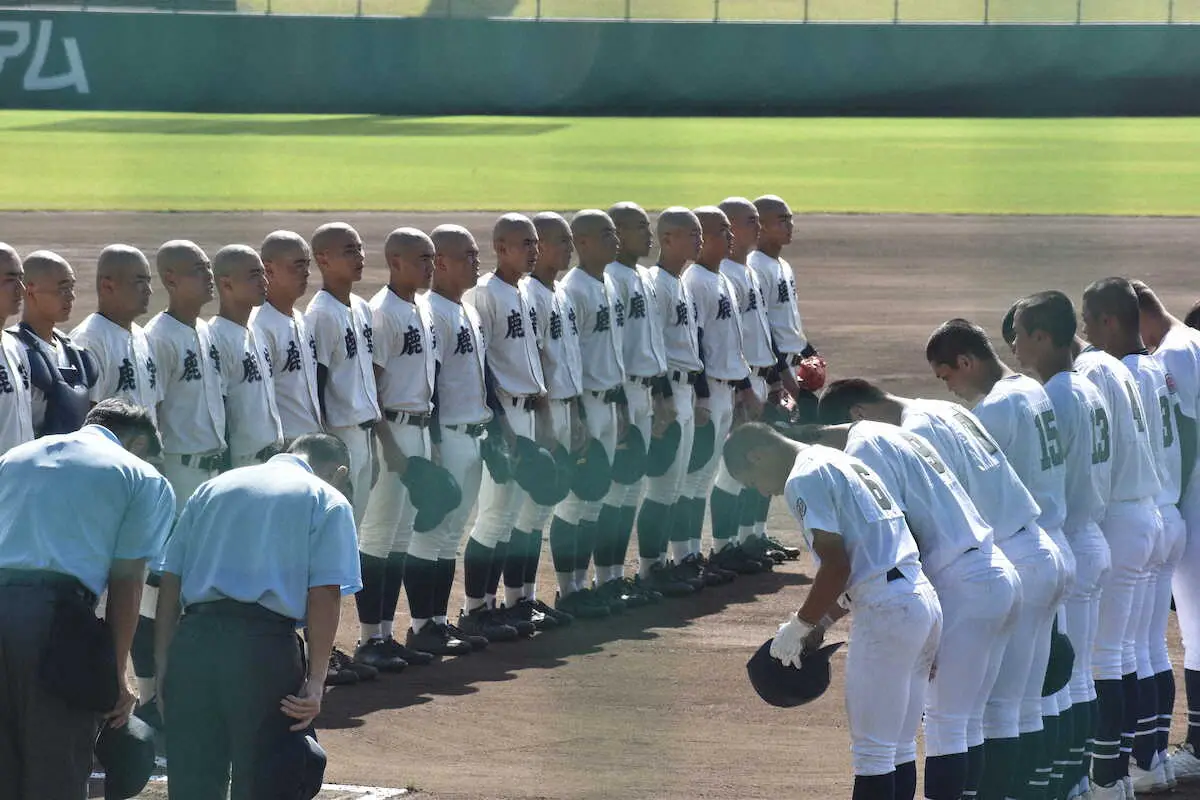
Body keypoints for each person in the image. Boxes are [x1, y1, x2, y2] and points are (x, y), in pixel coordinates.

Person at [817, 378, 1045, 800]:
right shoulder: (909, 432)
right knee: (969, 721)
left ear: (854, 417)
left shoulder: (866, 446)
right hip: (998, 568)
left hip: (962, 583)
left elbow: (900, 546)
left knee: (947, 724)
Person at [723, 422, 942, 800]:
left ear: (757, 454)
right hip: (920, 601)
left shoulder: (803, 477)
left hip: (888, 612)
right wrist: (820, 622)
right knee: (899, 747)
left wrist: (799, 624)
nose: (763, 491)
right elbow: (866, 563)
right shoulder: (839, 461)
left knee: (873, 755)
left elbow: (836, 565)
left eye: (752, 480)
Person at [154, 434, 360, 800]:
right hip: (263, 651)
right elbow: (325, 595)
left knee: (192, 780)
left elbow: (171, 581)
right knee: (266, 778)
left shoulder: (212, 488)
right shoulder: (326, 498)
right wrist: (316, 681)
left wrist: (164, 666)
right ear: (339, 472)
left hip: (194, 641)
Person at [925, 318, 1074, 798]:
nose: (949, 388)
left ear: (966, 362)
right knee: (1029, 703)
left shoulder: (994, 409)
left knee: (998, 710)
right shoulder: (1030, 389)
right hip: (1052, 544)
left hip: (1015, 552)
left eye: (947, 375)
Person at [0, 399, 175, 799]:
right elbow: (128, 582)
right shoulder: (140, 475)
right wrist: (116, 673)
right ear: (138, 444)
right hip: (54, 623)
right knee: (56, 767)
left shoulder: (15, 457)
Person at [1009, 292, 1115, 798]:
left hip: (1066, 538)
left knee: (1056, 684)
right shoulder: (1088, 388)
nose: (1013, 343)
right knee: (1080, 679)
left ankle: (1064, 785)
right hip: (1090, 537)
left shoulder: (1056, 396)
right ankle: (1076, 782)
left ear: (1043, 337)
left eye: (1021, 333)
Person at [1079, 279, 1170, 799]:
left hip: (1123, 518)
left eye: (1089, 321)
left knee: (1109, 656)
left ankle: (1111, 777)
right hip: (1156, 513)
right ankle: (1145, 760)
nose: (1086, 333)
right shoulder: (1148, 369)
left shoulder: (1100, 369)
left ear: (1108, 320)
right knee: (1138, 648)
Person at [354, 228, 441, 668]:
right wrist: (387, 444)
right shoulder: (382, 313)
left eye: (431, 257)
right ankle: (369, 638)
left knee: (402, 538)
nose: (430, 265)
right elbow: (370, 385)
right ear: (395, 262)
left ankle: (387, 635)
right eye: (421, 258)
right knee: (378, 536)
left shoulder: (421, 309)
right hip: (392, 433)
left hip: (420, 429)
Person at [460, 214, 547, 638]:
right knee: (493, 517)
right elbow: (481, 366)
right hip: (502, 415)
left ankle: (510, 604)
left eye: (535, 243)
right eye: (523, 244)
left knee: (515, 515)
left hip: (528, 410)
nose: (533, 250)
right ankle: (476, 608)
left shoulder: (526, 293)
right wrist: (499, 426)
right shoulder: (484, 295)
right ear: (500, 247)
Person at [416, 225, 495, 649]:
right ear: (441, 262)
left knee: (451, 535)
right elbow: (429, 385)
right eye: (468, 255)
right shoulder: (432, 315)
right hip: (447, 436)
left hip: (474, 433)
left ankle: (438, 621)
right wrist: (435, 445)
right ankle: (421, 626)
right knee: (432, 535)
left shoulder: (468, 310)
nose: (476, 262)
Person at [1133, 280, 1200, 785]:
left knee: (1195, 637)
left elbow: (1186, 435)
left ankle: (1197, 749)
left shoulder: (1171, 356)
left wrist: (1171, 509)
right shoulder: (1192, 343)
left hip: (1191, 506)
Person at [508, 212, 584, 625]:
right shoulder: (530, 296)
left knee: (539, 513)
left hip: (567, 408)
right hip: (542, 413)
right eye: (560, 240)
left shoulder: (560, 293)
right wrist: (548, 424)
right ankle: (515, 598)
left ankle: (529, 596)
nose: (566, 247)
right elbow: (535, 363)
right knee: (526, 512)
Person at [683, 206, 765, 575]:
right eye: (721, 231)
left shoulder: (723, 280)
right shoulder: (696, 281)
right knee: (694, 478)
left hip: (726, 388)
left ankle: (716, 550)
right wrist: (701, 396)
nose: (729, 237)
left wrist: (744, 386)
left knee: (705, 476)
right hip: (707, 390)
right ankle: (688, 556)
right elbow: (695, 343)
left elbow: (733, 343)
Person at [554, 209, 628, 617]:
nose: (614, 241)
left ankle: (589, 584)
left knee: (596, 499)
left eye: (614, 233)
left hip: (609, 401)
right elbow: (572, 358)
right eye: (605, 235)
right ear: (580, 242)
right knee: (574, 500)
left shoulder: (609, 284)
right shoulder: (573, 290)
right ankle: (569, 589)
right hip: (583, 405)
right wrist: (579, 412)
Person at [719, 196, 800, 564]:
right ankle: (727, 548)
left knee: (761, 461)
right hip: (741, 380)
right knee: (731, 470)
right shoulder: (732, 274)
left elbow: (766, 327)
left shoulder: (757, 270)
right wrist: (746, 384)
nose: (789, 225)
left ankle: (752, 538)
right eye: (752, 221)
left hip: (764, 375)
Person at [635, 207, 706, 597]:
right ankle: (650, 567)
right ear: (667, 239)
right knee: (662, 487)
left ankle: (670, 562)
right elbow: (655, 346)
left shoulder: (681, 283)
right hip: (665, 392)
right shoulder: (657, 285)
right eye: (691, 234)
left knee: (676, 486)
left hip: (686, 389)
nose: (699, 240)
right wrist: (662, 399)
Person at [605, 201, 669, 602]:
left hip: (645, 390)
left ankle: (620, 577)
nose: (649, 235)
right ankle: (605, 578)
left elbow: (653, 340)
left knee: (631, 491)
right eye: (639, 228)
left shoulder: (643, 276)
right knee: (615, 491)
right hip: (622, 391)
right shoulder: (611, 279)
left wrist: (660, 394)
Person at [304, 223, 381, 525]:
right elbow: (317, 387)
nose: (359, 256)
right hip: (341, 436)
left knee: (356, 529)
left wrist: (372, 447)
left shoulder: (361, 308)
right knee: (338, 528)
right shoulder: (320, 314)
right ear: (323, 260)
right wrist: (328, 451)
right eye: (349, 251)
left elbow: (368, 384)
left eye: (359, 248)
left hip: (364, 433)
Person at [144, 240, 226, 512]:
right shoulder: (158, 337)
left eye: (208, 268)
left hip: (216, 469)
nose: (209, 276)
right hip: (180, 472)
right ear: (171, 279)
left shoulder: (206, 330)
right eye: (198, 270)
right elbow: (152, 411)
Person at [208, 244, 284, 469]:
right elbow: (218, 410)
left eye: (263, 273)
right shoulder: (216, 337)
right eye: (254, 275)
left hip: (272, 457)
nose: (264, 281)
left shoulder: (257, 329)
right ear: (226, 283)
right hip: (242, 463)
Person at [748, 195, 822, 419]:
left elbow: (789, 320)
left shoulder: (783, 266)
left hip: (793, 366)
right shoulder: (755, 268)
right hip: (774, 371)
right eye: (781, 220)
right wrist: (783, 376)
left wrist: (810, 353)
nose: (790, 226)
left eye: (790, 219)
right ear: (760, 227)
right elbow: (763, 326)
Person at [69, 244, 160, 424]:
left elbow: (156, 405)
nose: (148, 290)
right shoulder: (88, 340)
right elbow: (83, 416)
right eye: (140, 281)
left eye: (148, 281)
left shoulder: (144, 337)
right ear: (107, 286)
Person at [10, 250, 96, 436]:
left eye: (71, 287)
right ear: (30, 291)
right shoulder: (13, 351)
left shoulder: (72, 350)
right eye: (62, 288)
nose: (71, 296)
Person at [251, 231, 322, 440]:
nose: (306, 272)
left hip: (311, 439)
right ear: (269, 270)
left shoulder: (303, 321)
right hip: (284, 445)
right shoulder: (259, 326)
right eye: (298, 265)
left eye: (307, 264)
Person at [0, 243, 33, 455]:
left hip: (20, 483)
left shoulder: (15, 346)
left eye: (21, 278)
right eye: (11, 279)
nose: (21, 289)